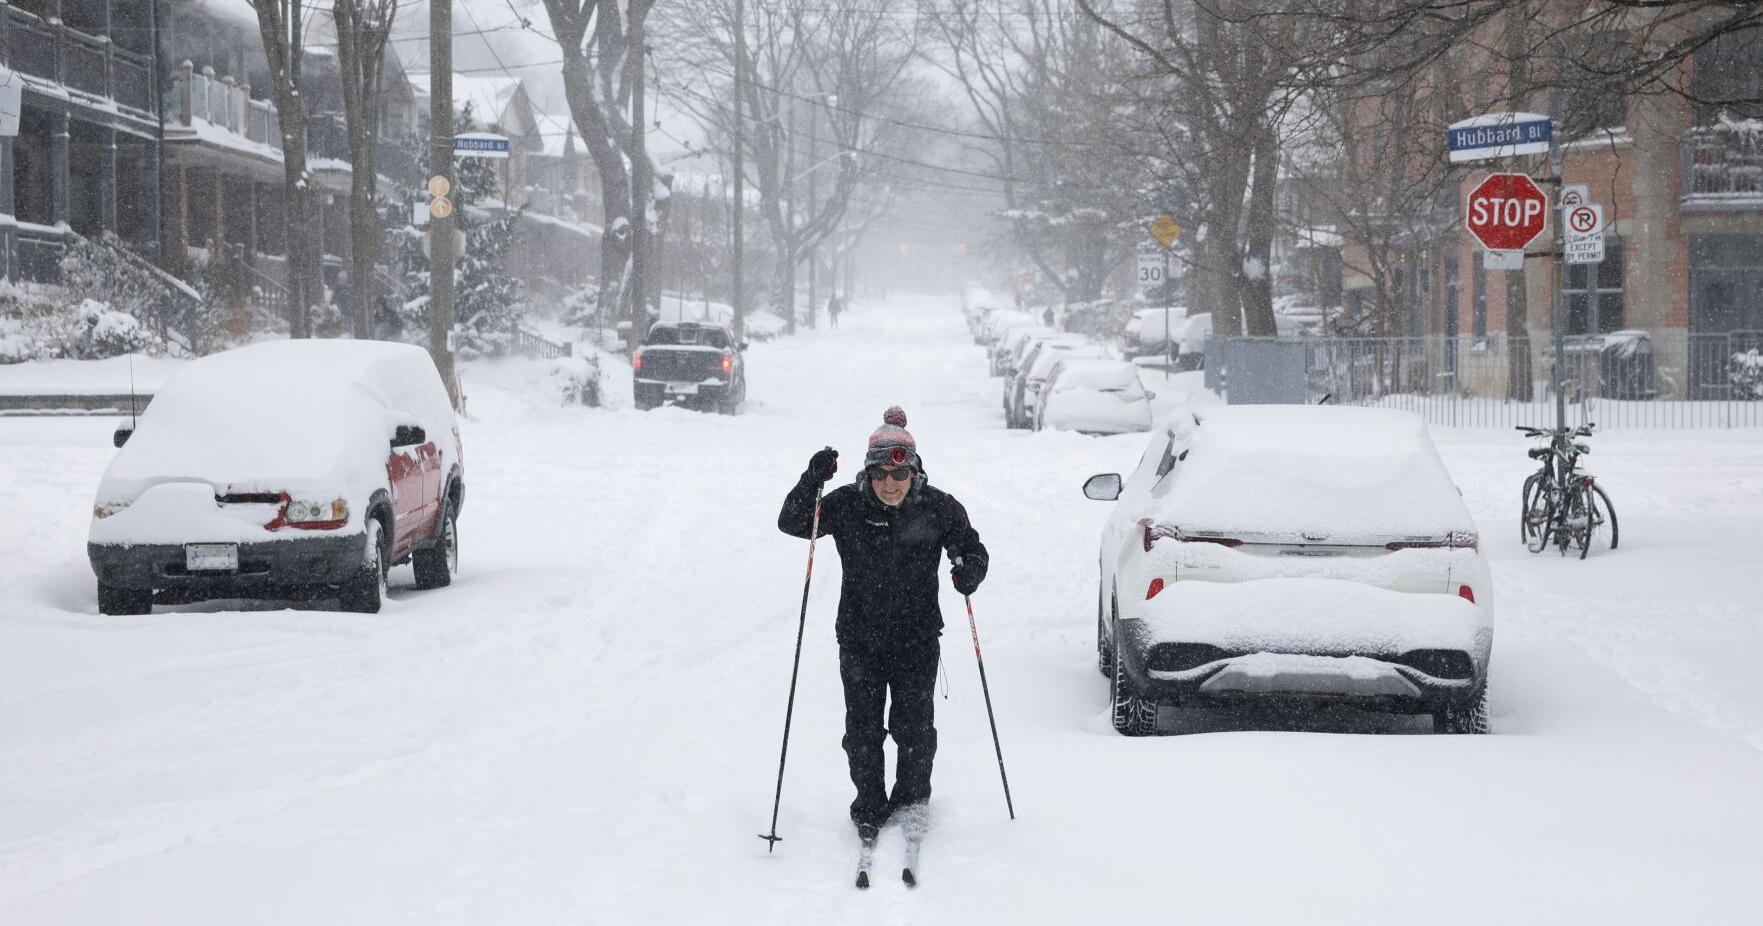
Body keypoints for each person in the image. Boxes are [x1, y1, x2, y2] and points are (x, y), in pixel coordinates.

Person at [778, 407, 989, 839]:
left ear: (913, 471)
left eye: (899, 474)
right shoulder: (846, 505)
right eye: (880, 475)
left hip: (917, 639)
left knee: (915, 730)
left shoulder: (938, 507)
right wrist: (812, 479)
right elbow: (794, 522)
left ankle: (911, 802)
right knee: (862, 731)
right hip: (860, 640)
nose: (889, 484)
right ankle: (869, 804)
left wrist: (969, 569)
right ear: (869, 472)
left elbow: (973, 549)